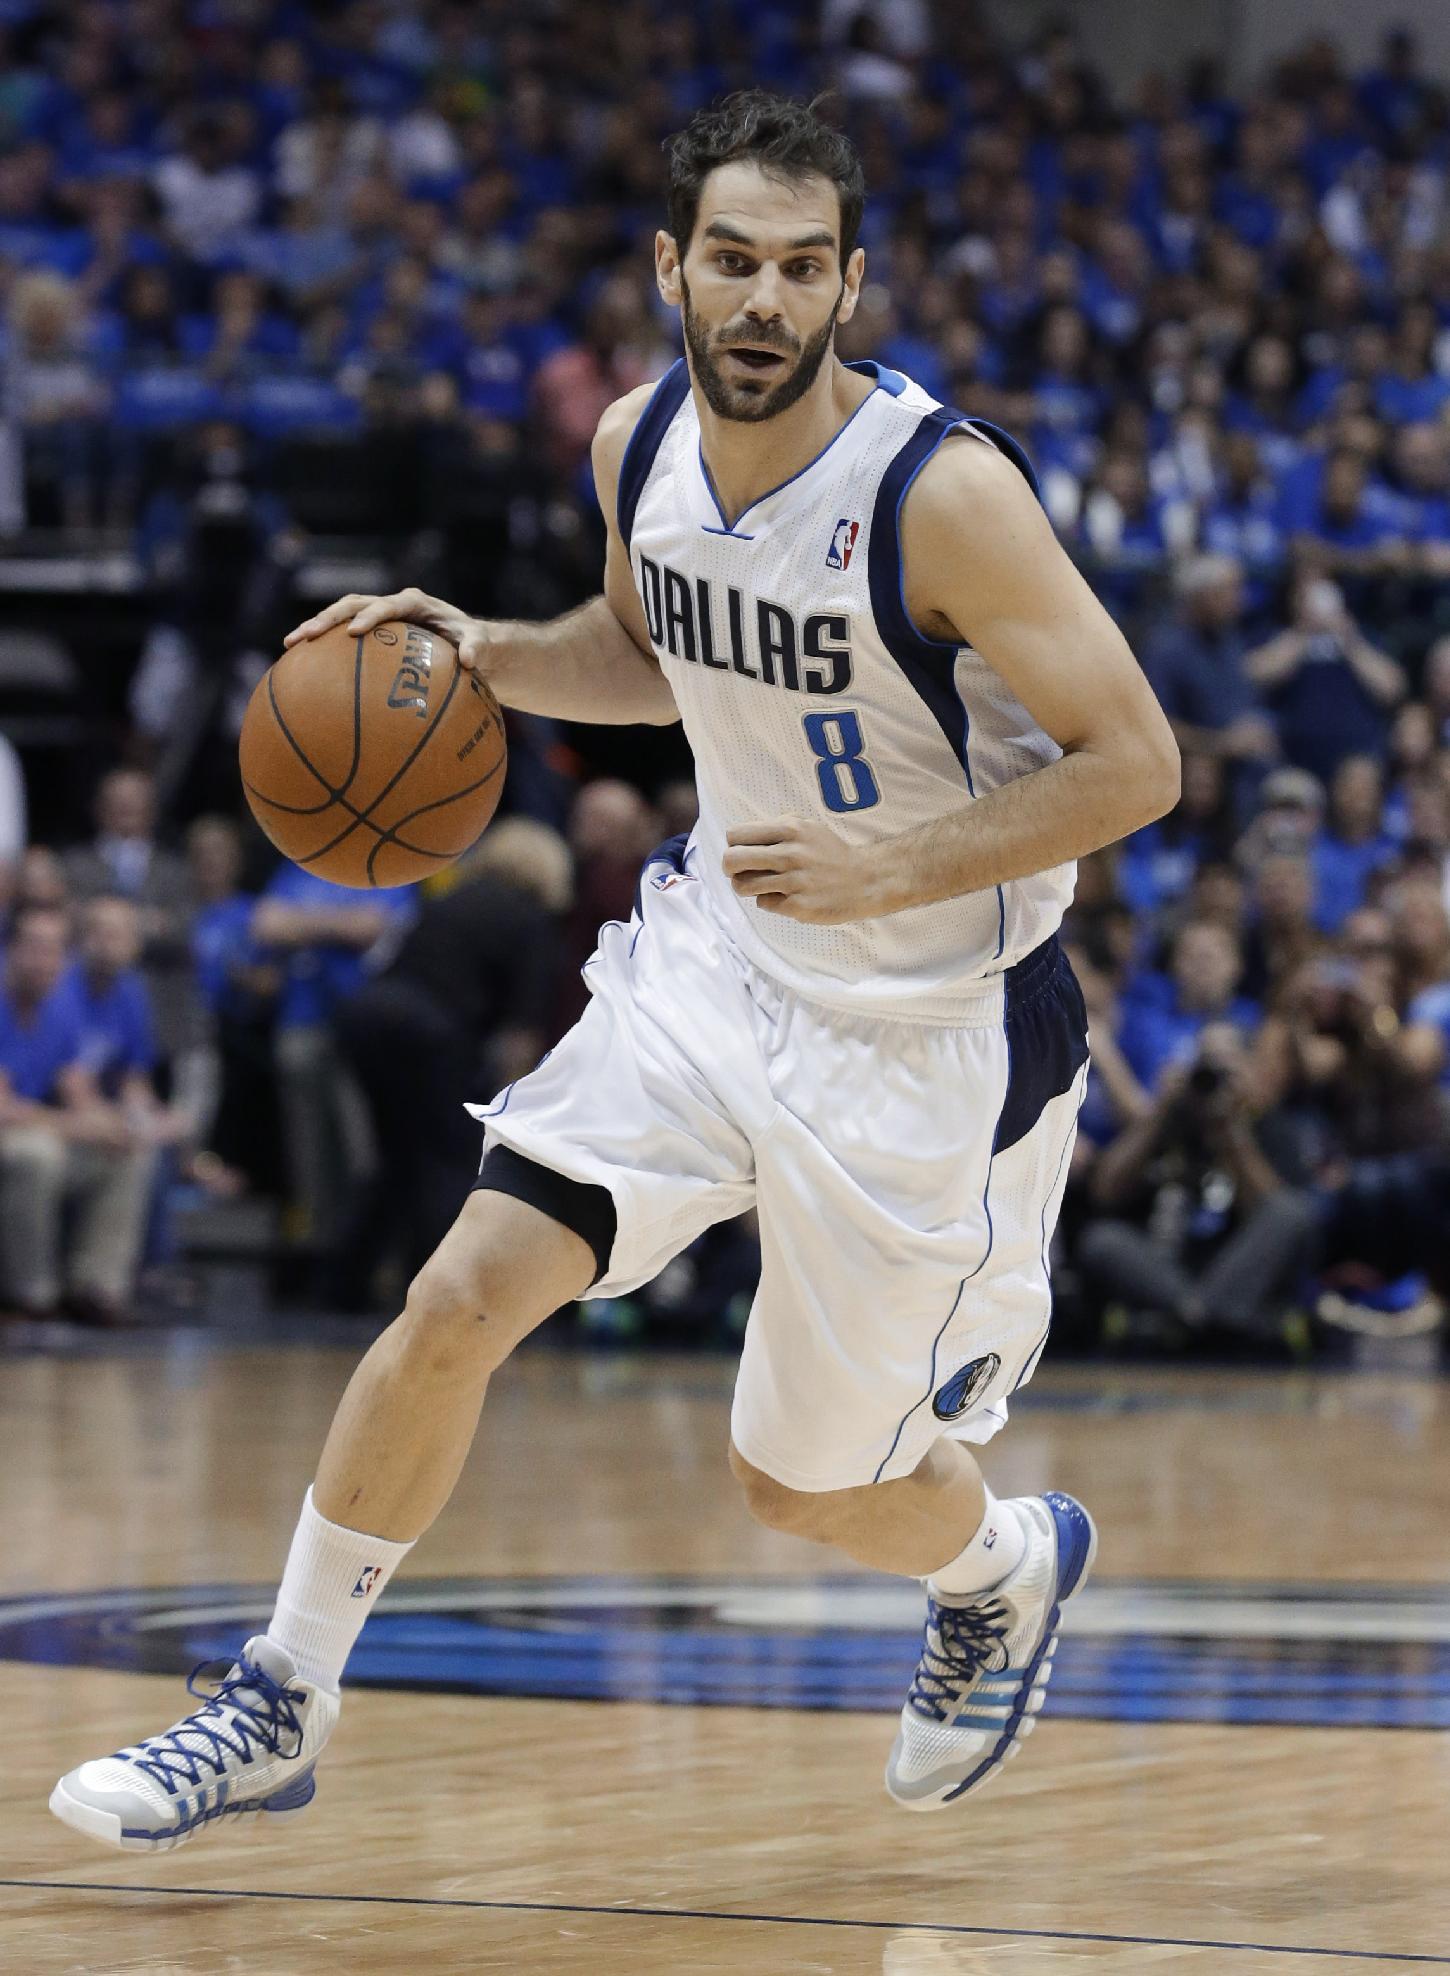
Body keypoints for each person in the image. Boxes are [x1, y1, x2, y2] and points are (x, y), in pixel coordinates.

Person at [51, 91, 1179, 1847]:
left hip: (933, 1034)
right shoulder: (635, 449)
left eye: (803, 270)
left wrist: (887, 863)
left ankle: (1005, 1560)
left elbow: (1138, 763)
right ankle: (282, 1692)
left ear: (849, 287)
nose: (762, 302)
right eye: (731, 260)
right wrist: (475, 652)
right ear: (672, 266)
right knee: (457, 1298)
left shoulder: (944, 496)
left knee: (802, 1486)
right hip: (716, 965)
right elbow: (653, 652)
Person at [0, 904, 156, 1322]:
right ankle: (32, 1297)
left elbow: (77, 1088)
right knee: (37, 1154)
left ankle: (97, 1288)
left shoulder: (58, 1008)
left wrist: (112, 1126)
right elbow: (4, 1109)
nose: (44, 960)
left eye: (53, 950)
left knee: (124, 1154)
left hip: (36, 1128)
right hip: (15, 1133)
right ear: (10, 949)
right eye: (33, 947)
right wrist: (73, 1126)